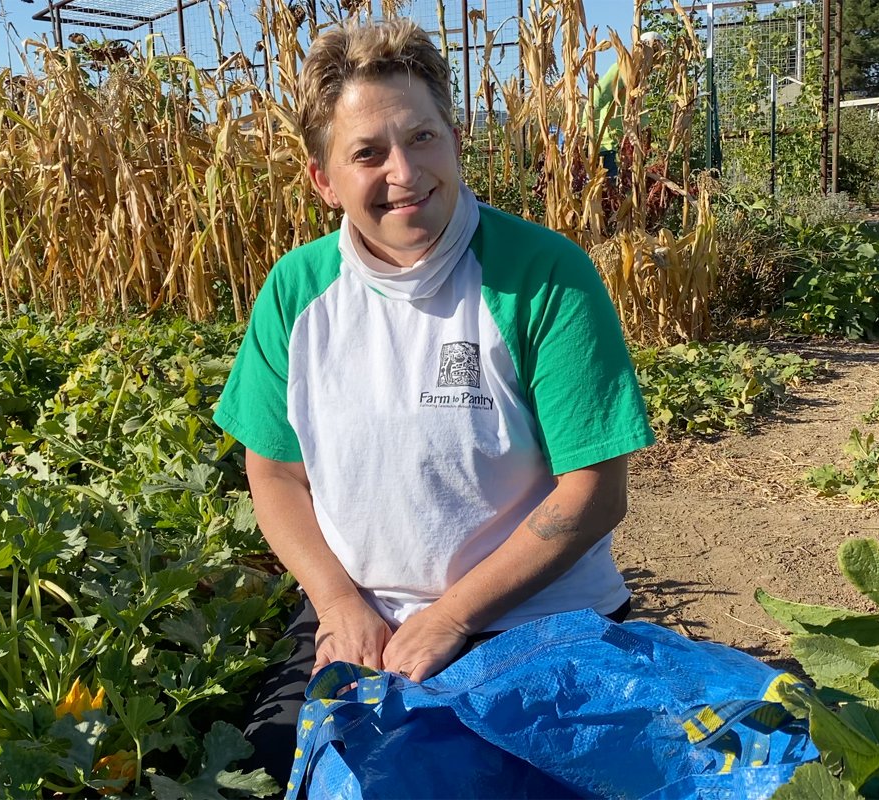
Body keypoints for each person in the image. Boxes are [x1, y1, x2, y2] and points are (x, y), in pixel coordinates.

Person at [212, 17, 655, 785]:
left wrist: (451, 618)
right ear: (324, 181)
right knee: (264, 770)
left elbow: (593, 493)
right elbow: (276, 471)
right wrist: (338, 603)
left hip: (532, 621)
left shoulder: (545, 276)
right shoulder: (297, 291)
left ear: (455, 138)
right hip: (360, 619)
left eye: (422, 138)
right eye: (367, 153)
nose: (404, 172)